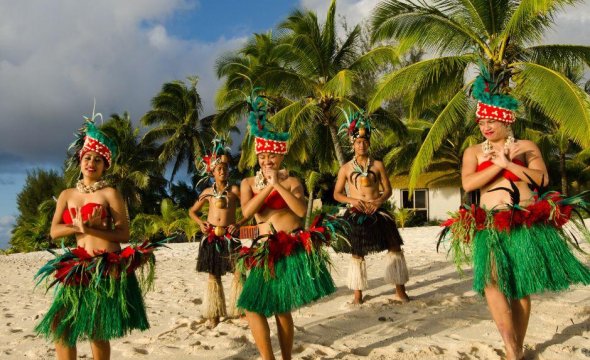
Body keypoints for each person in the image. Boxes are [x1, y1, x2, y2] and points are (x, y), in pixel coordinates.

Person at [440, 69, 590, 360]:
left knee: (521, 287)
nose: (486, 126)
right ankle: (511, 346)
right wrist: (496, 165)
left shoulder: (527, 147)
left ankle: (515, 351)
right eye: (482, 121)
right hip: (492, 225)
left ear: (507, 120)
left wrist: (510, 162)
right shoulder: (473, 152)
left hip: (525, 222)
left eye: (491, 120)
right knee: (492, 283)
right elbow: (469, 183)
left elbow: (542, 180)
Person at [34, 106, 164, 360]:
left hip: (106, 266)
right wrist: (79, 226)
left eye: (98, 159)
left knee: (97, 331)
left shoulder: (110, 194)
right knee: (60, 326)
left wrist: (92, 227)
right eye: (87, 158)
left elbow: (124, 234)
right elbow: (54, 231)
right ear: (80, 161)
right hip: (79, 265)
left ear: (105, 165)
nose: (91, 163)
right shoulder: (67, 195)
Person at [236, 90, 337, 360]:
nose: (267, 161)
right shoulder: (247, 184)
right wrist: (266, 186)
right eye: (262, 157)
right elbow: (246, 213)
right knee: (251, 306)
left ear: (281, 157)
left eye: (272, 156)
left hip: (289, 247)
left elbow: (301, 211)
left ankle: (287, 358)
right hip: (263, 250)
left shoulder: (292, 182)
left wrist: (277, 184)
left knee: (281, 308)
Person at [333, 110, 409, 304]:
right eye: (358, 142)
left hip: (377, 210)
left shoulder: (378, 165)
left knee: (394, 246)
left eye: (365, 141)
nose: (362, 145)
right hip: (356, 211)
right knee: (357, 251)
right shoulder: (346, 168)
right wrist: (352, 201)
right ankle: (357, 295)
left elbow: (388, 189)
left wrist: (379, 201)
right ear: (352, 143)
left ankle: (400, 291)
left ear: (369, 143)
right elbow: (337, 194)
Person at [189, 135, 245, 328]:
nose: (222, 171)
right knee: (214, 274)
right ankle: (214, 313)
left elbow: (247, 211)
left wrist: (238, 224)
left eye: (225, 168)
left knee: (239, 270)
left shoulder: (235, 191)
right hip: (212, 235)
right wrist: (200, 223)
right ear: (212, 171)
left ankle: (241, 310)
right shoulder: (207, 192)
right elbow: (192, 211)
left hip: (231, 236)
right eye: (219, 168)